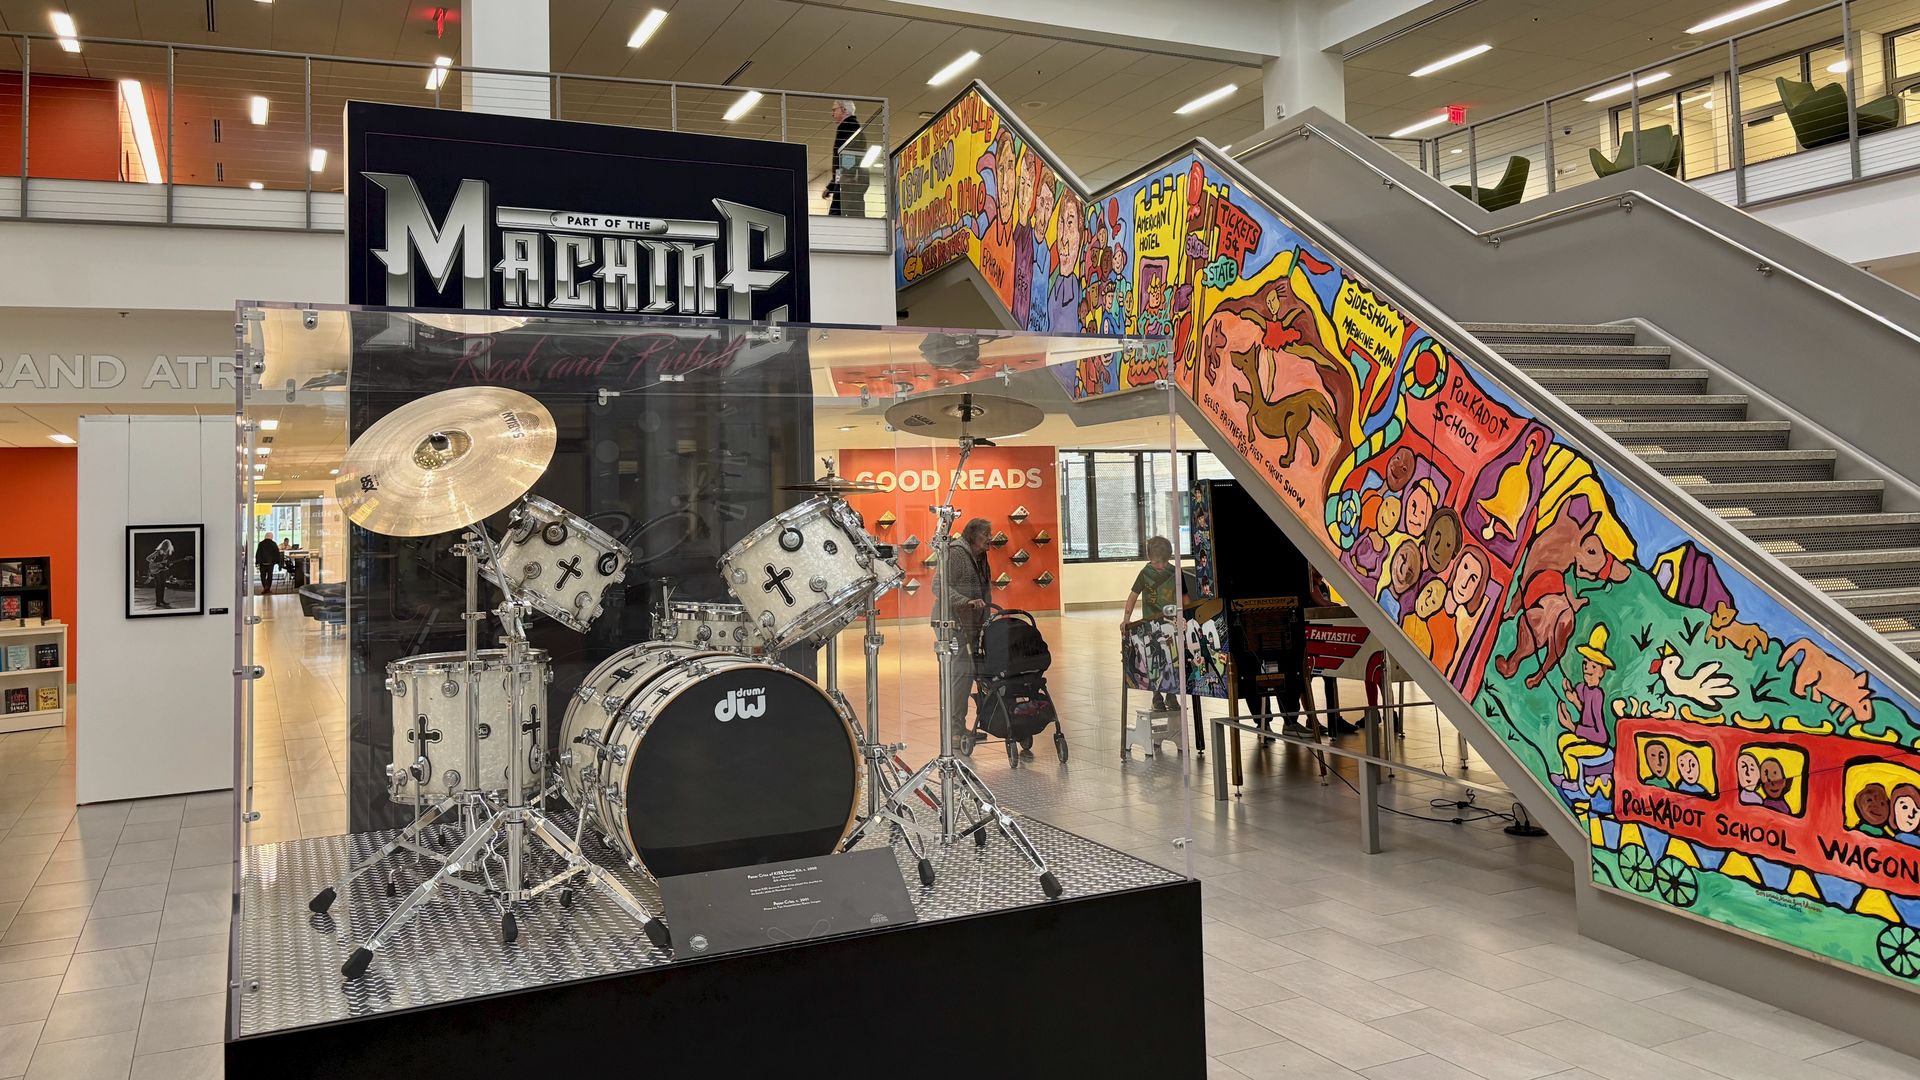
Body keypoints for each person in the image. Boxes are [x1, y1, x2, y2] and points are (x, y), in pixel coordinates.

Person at [933, 518, 992, 754]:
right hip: (951, 623)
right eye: (986, 534)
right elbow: (938, 586)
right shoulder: (956, 553)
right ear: (972, 535)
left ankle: (960, 726)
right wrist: (965, 602)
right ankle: (954, 731)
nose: (990, 538)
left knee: (967, 675)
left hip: (971, 623)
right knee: (960, 675)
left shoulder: (981, 556)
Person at [1122, 536, 1194, 713]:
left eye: (1163, 562)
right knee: (1154, 661)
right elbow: (1133, 595)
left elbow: (1185, 598)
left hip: (1172, 625)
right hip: (1150, 627)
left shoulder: (1175, 572)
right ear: (1149, 558)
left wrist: (1189, 616)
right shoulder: (1145, 573)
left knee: (1174, 661)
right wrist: (1126, 618)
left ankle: (1171, 695)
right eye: (1156, 562)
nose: (1160, 566)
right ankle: (1156, 696)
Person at [826, 101, 869, 217]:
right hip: (846, 179)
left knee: (837, 215)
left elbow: (850, 153)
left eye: (834, 109)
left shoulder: (848, 127)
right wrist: (832, 185)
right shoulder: (852, 126)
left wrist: (845, 175)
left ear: (844, 110)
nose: (832, 113)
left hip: (846, 180)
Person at [146, 538, 175, 609]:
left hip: (162, 570)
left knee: (162, 585)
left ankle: (161, 600)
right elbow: (148, 558)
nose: (166, 547)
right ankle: (158, 601)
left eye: (167, 545)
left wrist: (168, 565)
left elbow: (165, 563)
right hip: (156, 570)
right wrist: (156, 563)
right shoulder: (158, 552)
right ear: (163, 545)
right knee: (158, 585)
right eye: (165, 545)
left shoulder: (168, 553)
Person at [256, 532, 281, 596]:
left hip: (262, 563)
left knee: (262, 576)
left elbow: (258, 553)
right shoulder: (274, 544)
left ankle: (265, 587)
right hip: (270, 563)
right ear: (271, 537)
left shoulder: (261, 544)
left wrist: (257, 562)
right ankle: (268, 588)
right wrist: (278, 563)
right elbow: (277, 554)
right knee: (270, 576)